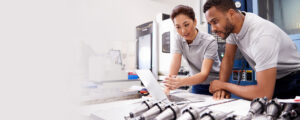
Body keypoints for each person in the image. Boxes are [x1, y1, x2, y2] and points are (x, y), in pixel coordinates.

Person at [203, 0, 300, 100]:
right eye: (210, 24)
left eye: (215, 22)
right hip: (275, 80)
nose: (213, 29)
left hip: (294, 81)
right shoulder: (233, 27)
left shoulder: (262, 36)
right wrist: (221, 89)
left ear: (231, 13)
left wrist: (224, 85)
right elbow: (228, 58)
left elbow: (264, 95)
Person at [164, 5, 224, 97]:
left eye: (186, 25)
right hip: (196, 84)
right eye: (178, 27)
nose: (183, 31)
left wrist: (181, 82)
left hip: (214, 85)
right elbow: (175, 64)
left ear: (195, 22)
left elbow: (204, 74)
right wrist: (167, 89)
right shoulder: (178, 39)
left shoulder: (209, 41)